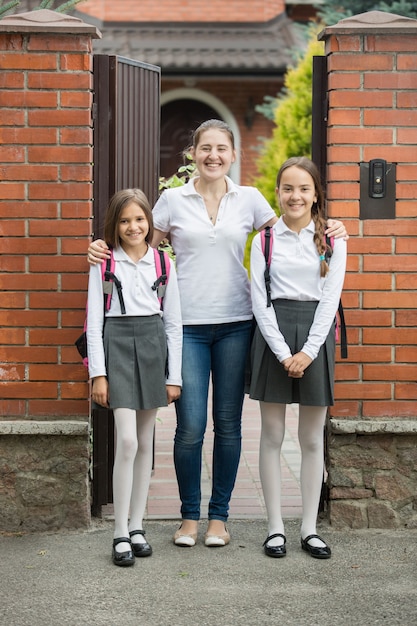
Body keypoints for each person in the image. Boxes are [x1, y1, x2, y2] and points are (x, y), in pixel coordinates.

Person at [87, 120, 347, 548]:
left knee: (227, 425)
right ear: (193, 153)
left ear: (232, 153)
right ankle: (190, 516)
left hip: (237, 324)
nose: (213, 155)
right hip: (186, 325)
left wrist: (332, 226)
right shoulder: (172, 200)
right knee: (189, 426)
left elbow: (294, 222)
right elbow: (135, 244)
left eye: (221, 148)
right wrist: (100, 249)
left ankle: (219, 518)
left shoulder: (249, 200)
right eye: (205, 148)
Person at [248, 157, 347, 559]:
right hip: (273, 335)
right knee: (271, 436)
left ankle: (308, 528)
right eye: (288, 188)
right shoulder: (264, 240)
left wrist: (307, 351)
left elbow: (330, 299)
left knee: (310, 438)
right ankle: (274, 528)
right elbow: (259, 299)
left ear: (316, 194)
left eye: (304, 188)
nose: (295, 196)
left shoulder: (333, 239)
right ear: (278, 193)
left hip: (315, 336)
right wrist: (283, 351)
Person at [87, 188, 182, 566]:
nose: (133, 226)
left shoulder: (163, 264)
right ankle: (120, 532)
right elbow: (94, 324)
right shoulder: (105, 264)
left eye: (139, 219)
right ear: (115, 225)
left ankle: (138, 524)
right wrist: (99, 374)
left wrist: (174, 376)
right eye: (124, 220)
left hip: (153, 344)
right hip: (118, 346)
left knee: (145, 441)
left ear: (150, 222)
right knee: (126, 440)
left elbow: (174, 324)